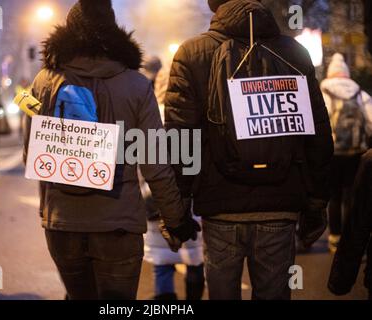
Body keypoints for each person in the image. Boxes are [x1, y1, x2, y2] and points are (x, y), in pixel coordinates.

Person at [25, 0, 199, 300]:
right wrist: (175, 219)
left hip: (62, 223)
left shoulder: (43, 82)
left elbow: (31, 154)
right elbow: (155, 164)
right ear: (113, 31)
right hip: (118, 225)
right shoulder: (137, 85)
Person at [165, 0, 333, 300]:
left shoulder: (192, 53)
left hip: (219, 204)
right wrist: (317, 202)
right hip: (280, 202)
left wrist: (177, 208)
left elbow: (181, 136)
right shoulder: (293, 52)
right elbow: (317, 133)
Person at [141, 60, 205, 301]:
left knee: (161, 261)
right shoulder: (193, 116)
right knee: (195, 257)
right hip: (190, 200)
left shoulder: (147, 117)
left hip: (154, 199)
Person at [320, 53, 372, 253]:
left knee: (334, 196)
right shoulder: (359, 92)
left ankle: (334, 237)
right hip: (355, 152)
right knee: (351, 194)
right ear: (347, 73)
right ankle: (350, 239)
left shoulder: (323, 90)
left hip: (332, 153)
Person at [328, 149, 372, 300]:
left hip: (336, 153)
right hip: (353, 152)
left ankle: (334, 235)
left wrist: (341, 278)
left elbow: (358, 225)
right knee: (346, 197)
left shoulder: (370, 160)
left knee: (337, 197)